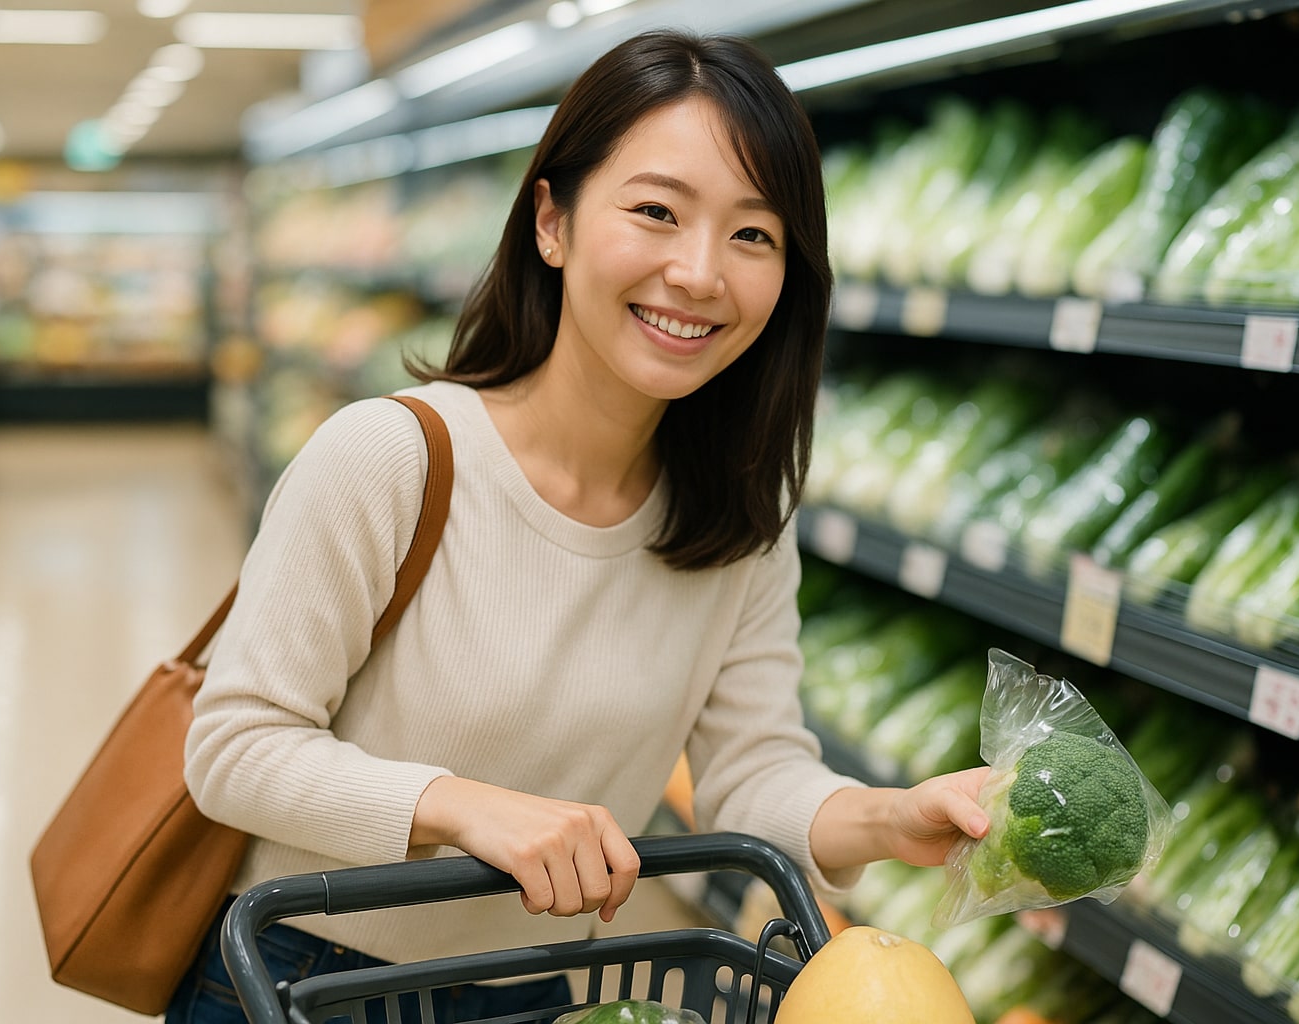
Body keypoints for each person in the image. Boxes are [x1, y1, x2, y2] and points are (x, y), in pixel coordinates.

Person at [166, 27, 989, 1024]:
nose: (699, 272)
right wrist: (467, 806)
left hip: (543, 995)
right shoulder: (391, 457)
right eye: (656, 212)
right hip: (305, 979)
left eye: (752, 234)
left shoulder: (737, 520)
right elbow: (235, 748)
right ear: (551, 222)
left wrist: (889, 818)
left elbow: (750, 774)